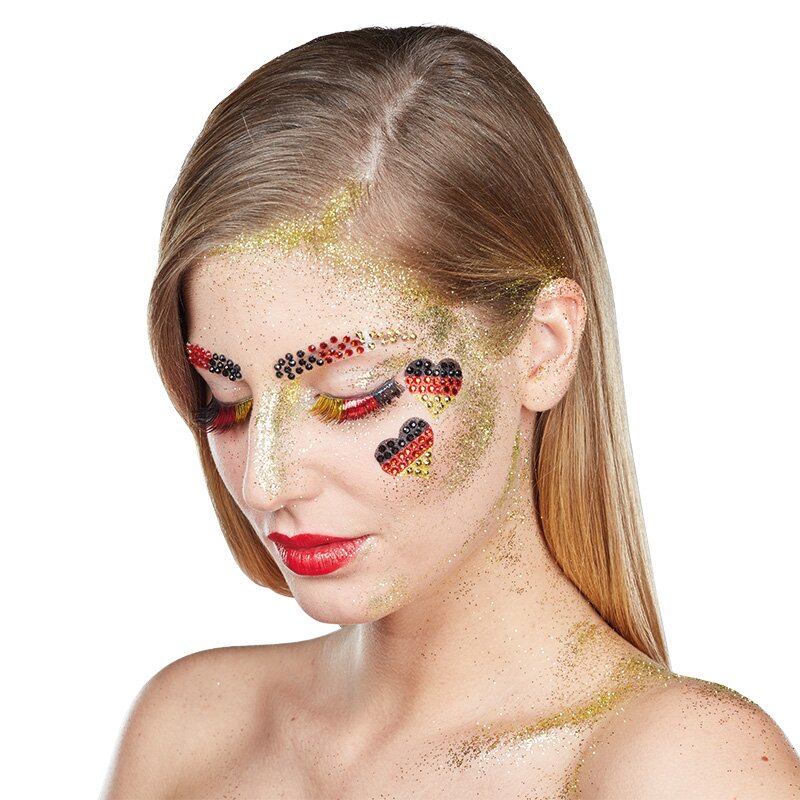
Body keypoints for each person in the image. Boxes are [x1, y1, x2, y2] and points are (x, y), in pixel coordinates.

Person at [101, 24, 799, 799]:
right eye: (227, 402)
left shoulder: (683, 768)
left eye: (353, 395)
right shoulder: (188, 731)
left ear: (542, 347)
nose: (265, 483)